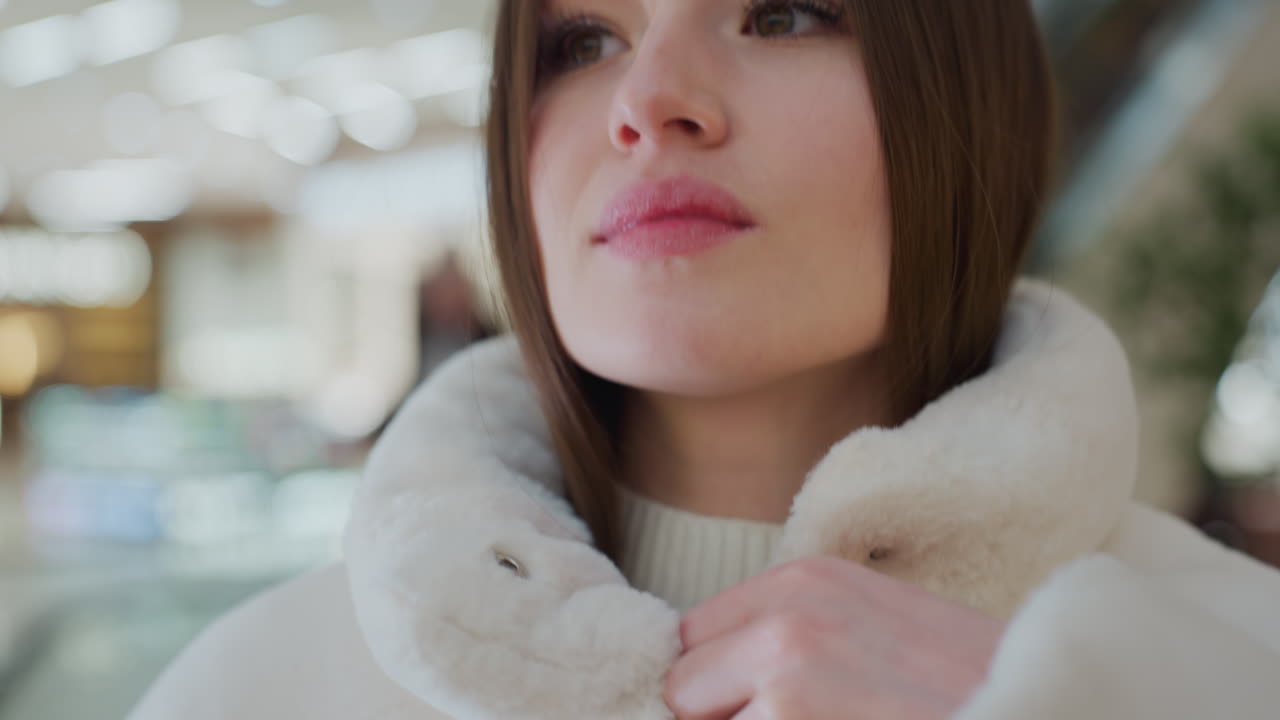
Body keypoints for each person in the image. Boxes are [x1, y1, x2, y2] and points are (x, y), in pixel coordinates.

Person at [127, 1, 1280, 718]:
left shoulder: (1222, 665)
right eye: (583, 40)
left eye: (780, 14)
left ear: (963, 104)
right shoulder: (259, 688)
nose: (646, 101)